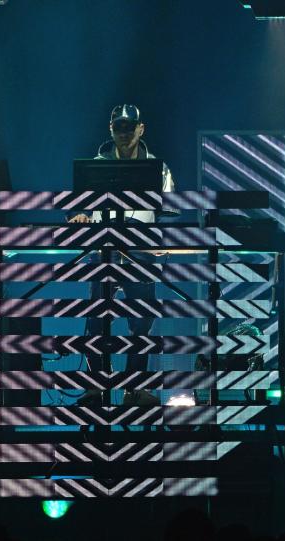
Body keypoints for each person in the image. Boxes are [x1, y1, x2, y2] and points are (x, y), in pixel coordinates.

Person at [70, 104, 174, 405]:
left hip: (141, 253)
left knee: (142, 322)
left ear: (141, 128)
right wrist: (81, 217)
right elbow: (83, 207)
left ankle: (134, 388)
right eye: (120, 127)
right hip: (104, 252)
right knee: (94, 320)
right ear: (111, 129)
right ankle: (96, 387)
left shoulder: (159, 167)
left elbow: (170, 208)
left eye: (131, 127)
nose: (125, 132)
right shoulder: (97, 165)